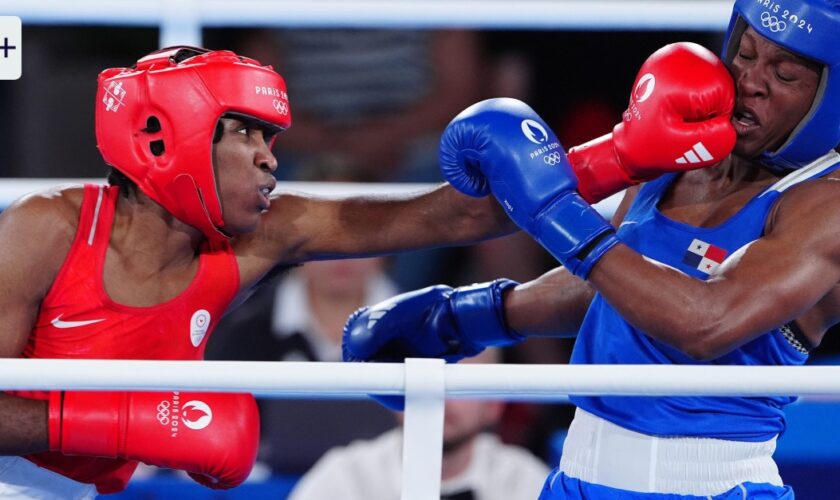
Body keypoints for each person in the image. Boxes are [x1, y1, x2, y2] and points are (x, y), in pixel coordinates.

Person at [342, 0, 840, 498]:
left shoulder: (826, 204)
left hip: (706, 485)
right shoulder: (686, 143)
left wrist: (553, 208)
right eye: (745, 54)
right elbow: (618, 282)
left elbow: (707, 322)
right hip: (576, 476)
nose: (750, 81)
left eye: (785, 74)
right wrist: (466, 318)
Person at [0, 45, 520, 499]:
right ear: (163, 134)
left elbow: (457, 214)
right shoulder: (48, 228)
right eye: (245, 133)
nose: (268, 159)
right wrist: (124, 428)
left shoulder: (256, 237)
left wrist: (591, 167)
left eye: (269, 139)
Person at [288, 349, 550, 500]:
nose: (441, 395)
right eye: (424, 376)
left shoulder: (525, 482)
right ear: (395, 395)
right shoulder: (345, 475)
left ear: (495, 405)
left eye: (460, 383)